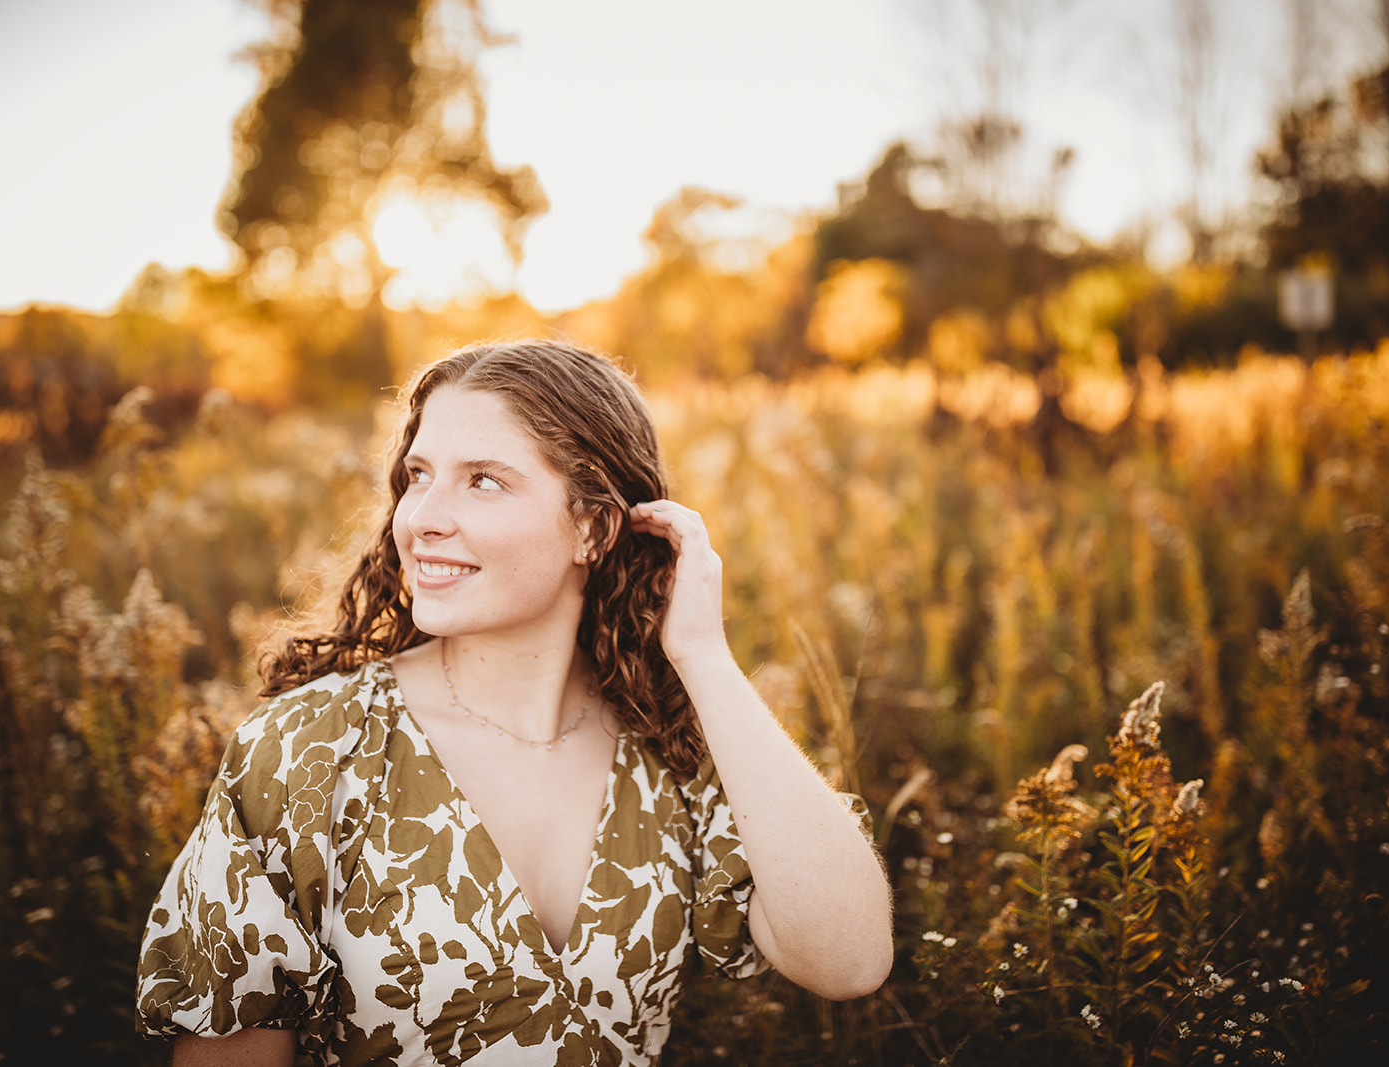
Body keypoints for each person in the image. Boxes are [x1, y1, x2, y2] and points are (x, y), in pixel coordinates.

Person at [136, 340, 892, 1066]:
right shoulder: (311, 748)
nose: (422, 515)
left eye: (484, 479)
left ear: (592, 527)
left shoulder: (672, 747)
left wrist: (702, 656)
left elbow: (850, 959)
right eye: (418, 475)